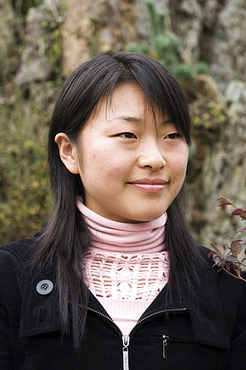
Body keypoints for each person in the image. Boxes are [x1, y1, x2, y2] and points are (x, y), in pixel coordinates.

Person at [0, 52, 245, 370]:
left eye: (172, 136)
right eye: (127, 135)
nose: (155, 159)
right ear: (69, 151)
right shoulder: (10, 280)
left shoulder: (230, 286)